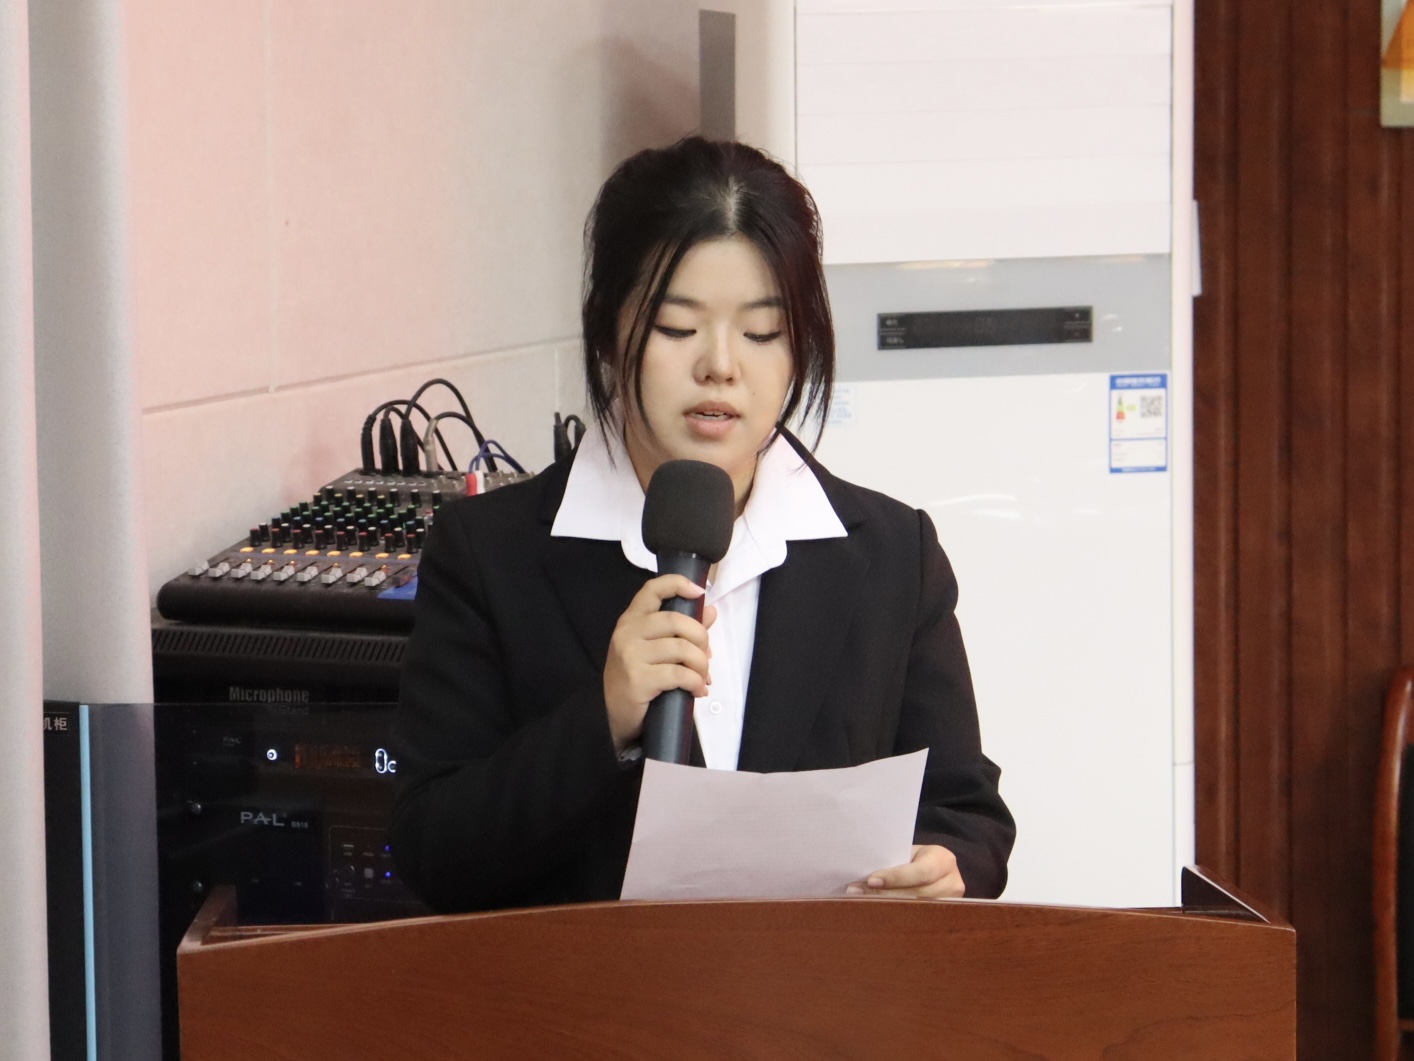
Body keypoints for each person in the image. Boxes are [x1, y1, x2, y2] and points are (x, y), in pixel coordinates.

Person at [389, 137, 1015, 913]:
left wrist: (947, 862)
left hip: (821, 987)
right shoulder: (489, 553)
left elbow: (965, 810)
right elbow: (432, 849)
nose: (721, 365)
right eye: (678, 328)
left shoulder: (892, 554)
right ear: (609, 329)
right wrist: (603, 718)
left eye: (762, 333)